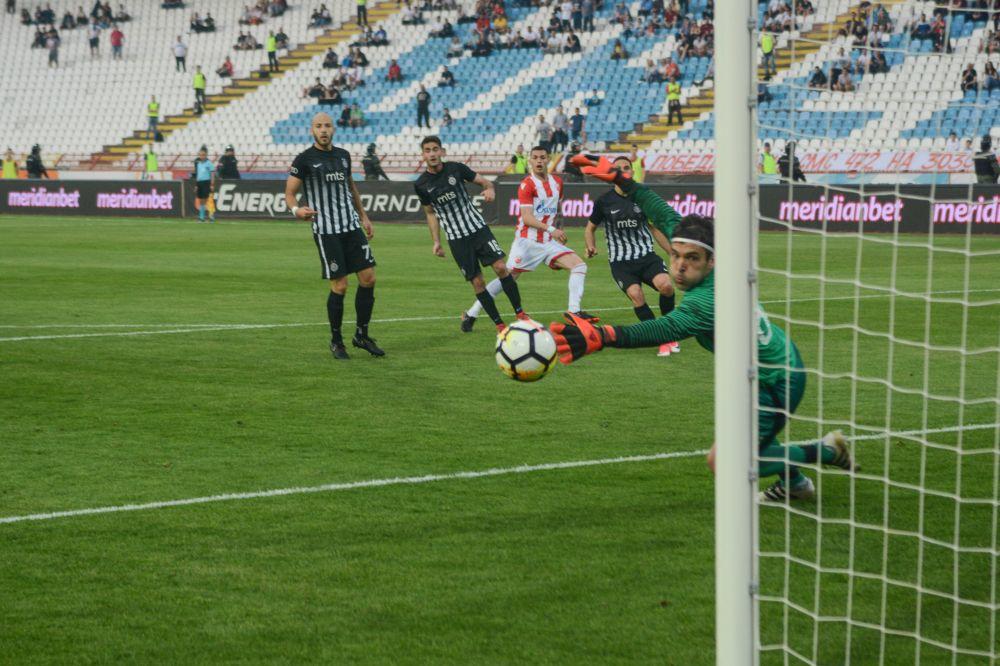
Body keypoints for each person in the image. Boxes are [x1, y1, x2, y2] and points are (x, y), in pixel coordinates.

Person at [552, 155, 856, 501]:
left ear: (710, 261)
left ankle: (829, 452)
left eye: (691, 260)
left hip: (776, 379)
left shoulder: (706, 301)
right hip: (764, 365)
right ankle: (796, 484)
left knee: (725, 461)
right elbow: (662, 212)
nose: (680, 266)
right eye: (676, 256)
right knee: (756, 439)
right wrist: (624, 180)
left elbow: (664, 329)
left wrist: (607, 335)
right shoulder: (703, 246)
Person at [462, 145, 594, 332]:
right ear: (530, 161)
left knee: (579, 265)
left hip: (548, 242)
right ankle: (472, 312)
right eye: (535, 157)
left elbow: (556, 210)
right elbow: (527, 218)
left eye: (542, 157)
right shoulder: (527, 184)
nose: (539, 161)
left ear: (548, 159)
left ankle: (574, 312)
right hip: (527, 242)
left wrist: (558, 231)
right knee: (507, 278)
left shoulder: (557, 183)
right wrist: (552, 229)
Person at [284, 112, 383, 360]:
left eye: (327, 125)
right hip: (326, 231)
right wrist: (297, 210)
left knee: (368, 278)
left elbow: (351, 187)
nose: (323, 130)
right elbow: (289, 193)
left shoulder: (343, 156)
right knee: (340, 285)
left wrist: (364, 216)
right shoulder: (304, 160)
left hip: (351, 226)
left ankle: (361, 334)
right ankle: (337, 340)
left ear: (334, 129)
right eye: (319, 126)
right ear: (312, 131)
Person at [416, 136, 525, 332]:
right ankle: (500, 325)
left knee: (501, 267)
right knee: (477, 282)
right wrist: (436, 242)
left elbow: (486, 182)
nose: (432, 154)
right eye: (427, 150)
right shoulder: (421, 184)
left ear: (442, 151)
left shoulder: (456, 169)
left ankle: (520, 314)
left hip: (478, 230)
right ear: (423, 154)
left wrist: (489, 189)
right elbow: (430, 213)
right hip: (457, 239)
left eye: (435, 149)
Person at [584, 155, 678, 357]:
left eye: (626, 167)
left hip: (646, 257)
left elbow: (653, 228)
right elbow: (589, 228)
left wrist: (672, 253)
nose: (623, 171)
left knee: (667, 286)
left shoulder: (642, 197)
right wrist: (590, 246)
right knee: (637, 296)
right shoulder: (604, 201)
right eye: (618, 168)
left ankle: (670, 331)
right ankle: (660, 337)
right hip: (621, 263)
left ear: (632, 171)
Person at [192, 146, 215, 222]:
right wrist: (196, 185)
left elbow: (212, 174)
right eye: (201, 155)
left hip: (206, 182)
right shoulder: (198, 164)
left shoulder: (209, 163)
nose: (202, 156)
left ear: (206, 155)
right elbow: (198, 175)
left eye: (203, 155)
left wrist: (212, 184)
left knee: (207, 200)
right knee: (201, 200)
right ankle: (202, 217)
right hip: (200, 183)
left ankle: (211, 217)